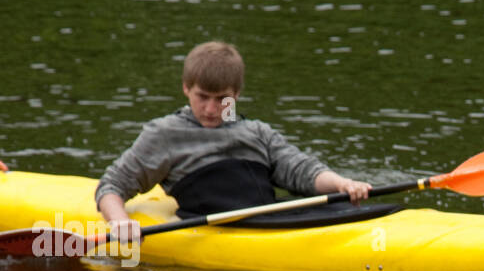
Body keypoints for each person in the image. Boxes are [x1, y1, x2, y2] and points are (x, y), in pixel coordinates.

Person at [96, 41, 371, 248]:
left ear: (237, 94)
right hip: (221, 225)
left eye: (222, 99)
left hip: (272, 221)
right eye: (202, 97)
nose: (211, 109)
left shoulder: (256, 132)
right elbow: (112, 186)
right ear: (185, 88)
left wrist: (342, 184)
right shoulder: (165, 134)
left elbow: (302, 171)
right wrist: (120, 221)